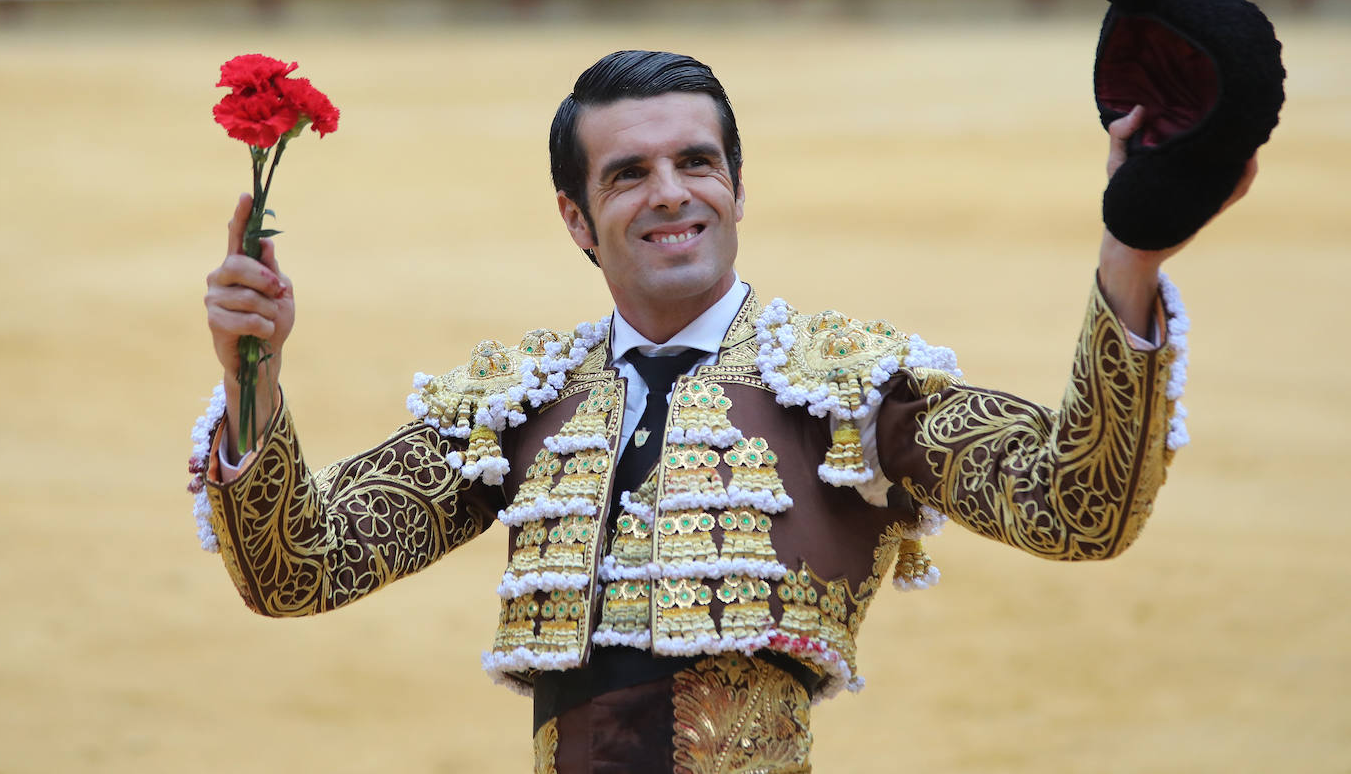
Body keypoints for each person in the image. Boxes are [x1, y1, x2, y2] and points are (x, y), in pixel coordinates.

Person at [194, 50, 1255, 773]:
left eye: (696, 162)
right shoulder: (517, 402)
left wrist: (1131, 259)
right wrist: (258, 382)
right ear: (577, 217)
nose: (670, 193)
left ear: (736, 187)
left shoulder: (848, 385)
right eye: (629, 174)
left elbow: (1077, 506)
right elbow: (301, 570)